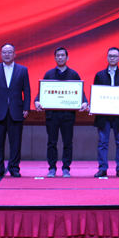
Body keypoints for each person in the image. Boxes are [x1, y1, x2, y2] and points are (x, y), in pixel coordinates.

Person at [34, 47, 88, 177]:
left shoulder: (74, 74)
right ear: (54, 58)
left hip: (68, 115)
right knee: (51, 142)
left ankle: (66, 168)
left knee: (67, 142)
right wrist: (36, 101)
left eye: (62, 55)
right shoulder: (49, 74)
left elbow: (80, 92)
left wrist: (85, 102)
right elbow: (42, 92)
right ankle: (52, 168)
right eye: (58, 55)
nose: (60, 57)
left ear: (67, 57)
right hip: (52, 114)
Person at [0, 44, 31, 177]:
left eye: (9, 52)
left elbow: (26, 90)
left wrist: (26, 107)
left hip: (16, 110)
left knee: (15, 142)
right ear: (0, 54)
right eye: (4, 52)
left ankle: (14, 167)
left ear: (14, 54)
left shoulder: (22, 70)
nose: (7, 54)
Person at [91, 47, 119, 178]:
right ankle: (102, 168)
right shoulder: (99, 75)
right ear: (107, 58)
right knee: (102, 143)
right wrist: (93, 107)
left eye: (115, 56)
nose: (112, 58)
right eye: (110, 56)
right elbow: (96, 94)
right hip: (103, 115)